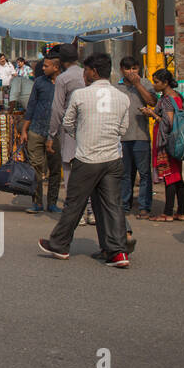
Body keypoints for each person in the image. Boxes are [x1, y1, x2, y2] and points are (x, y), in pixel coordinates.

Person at [38, 53, 131, 267]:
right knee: (113, 205)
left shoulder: (81, 95)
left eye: (86, 70)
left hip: (87, 157)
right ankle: (117, 252)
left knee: (74, 204)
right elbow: (123, 130)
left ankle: (60, 244)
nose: (84, 74)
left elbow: (67, 123)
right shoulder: (122, 97)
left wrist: (82, 135)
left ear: (94, 72)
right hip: (113, 158)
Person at [47, 43, 88, 224]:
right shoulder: (87, 74)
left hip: (69, 129)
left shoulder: (63, 79)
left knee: (70, 172)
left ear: (61, 61)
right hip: (89, 128)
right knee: (89, 171)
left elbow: (57, 109)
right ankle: (91, 211)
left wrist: (51, 134)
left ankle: (76, 214)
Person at [115, 57, 157, 218]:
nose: (131, 72)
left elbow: (152, 101)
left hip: (141, 135)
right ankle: (125, 205)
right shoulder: (116, 87)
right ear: (121, 69)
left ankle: (144, 206)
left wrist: (138, 84)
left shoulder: (145, 84)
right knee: (125, 173)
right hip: (123, 137)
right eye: (128, 69)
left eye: (134, 68)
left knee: (144, 173)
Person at [20, 53, 61, 213]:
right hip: (36, 130)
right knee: (35, 168)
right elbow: (31, 106)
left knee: (55, 169)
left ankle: (52, 203)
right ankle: (37, 202)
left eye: (46, 66)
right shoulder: (39, 82)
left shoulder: (63, 83)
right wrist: (24, 129)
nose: (42, 68)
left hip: (56, 133)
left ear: (56, 67)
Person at [145, 69, 184, 223]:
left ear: (165, 83)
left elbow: (168, 122)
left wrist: (153, 115)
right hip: (178, 141)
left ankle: (168, 213)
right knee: (177, 177)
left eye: (156, 82)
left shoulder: (167, 99)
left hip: (168, 142)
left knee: (169, 176)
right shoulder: (179, 97)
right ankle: (181, 212)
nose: (154, 85)